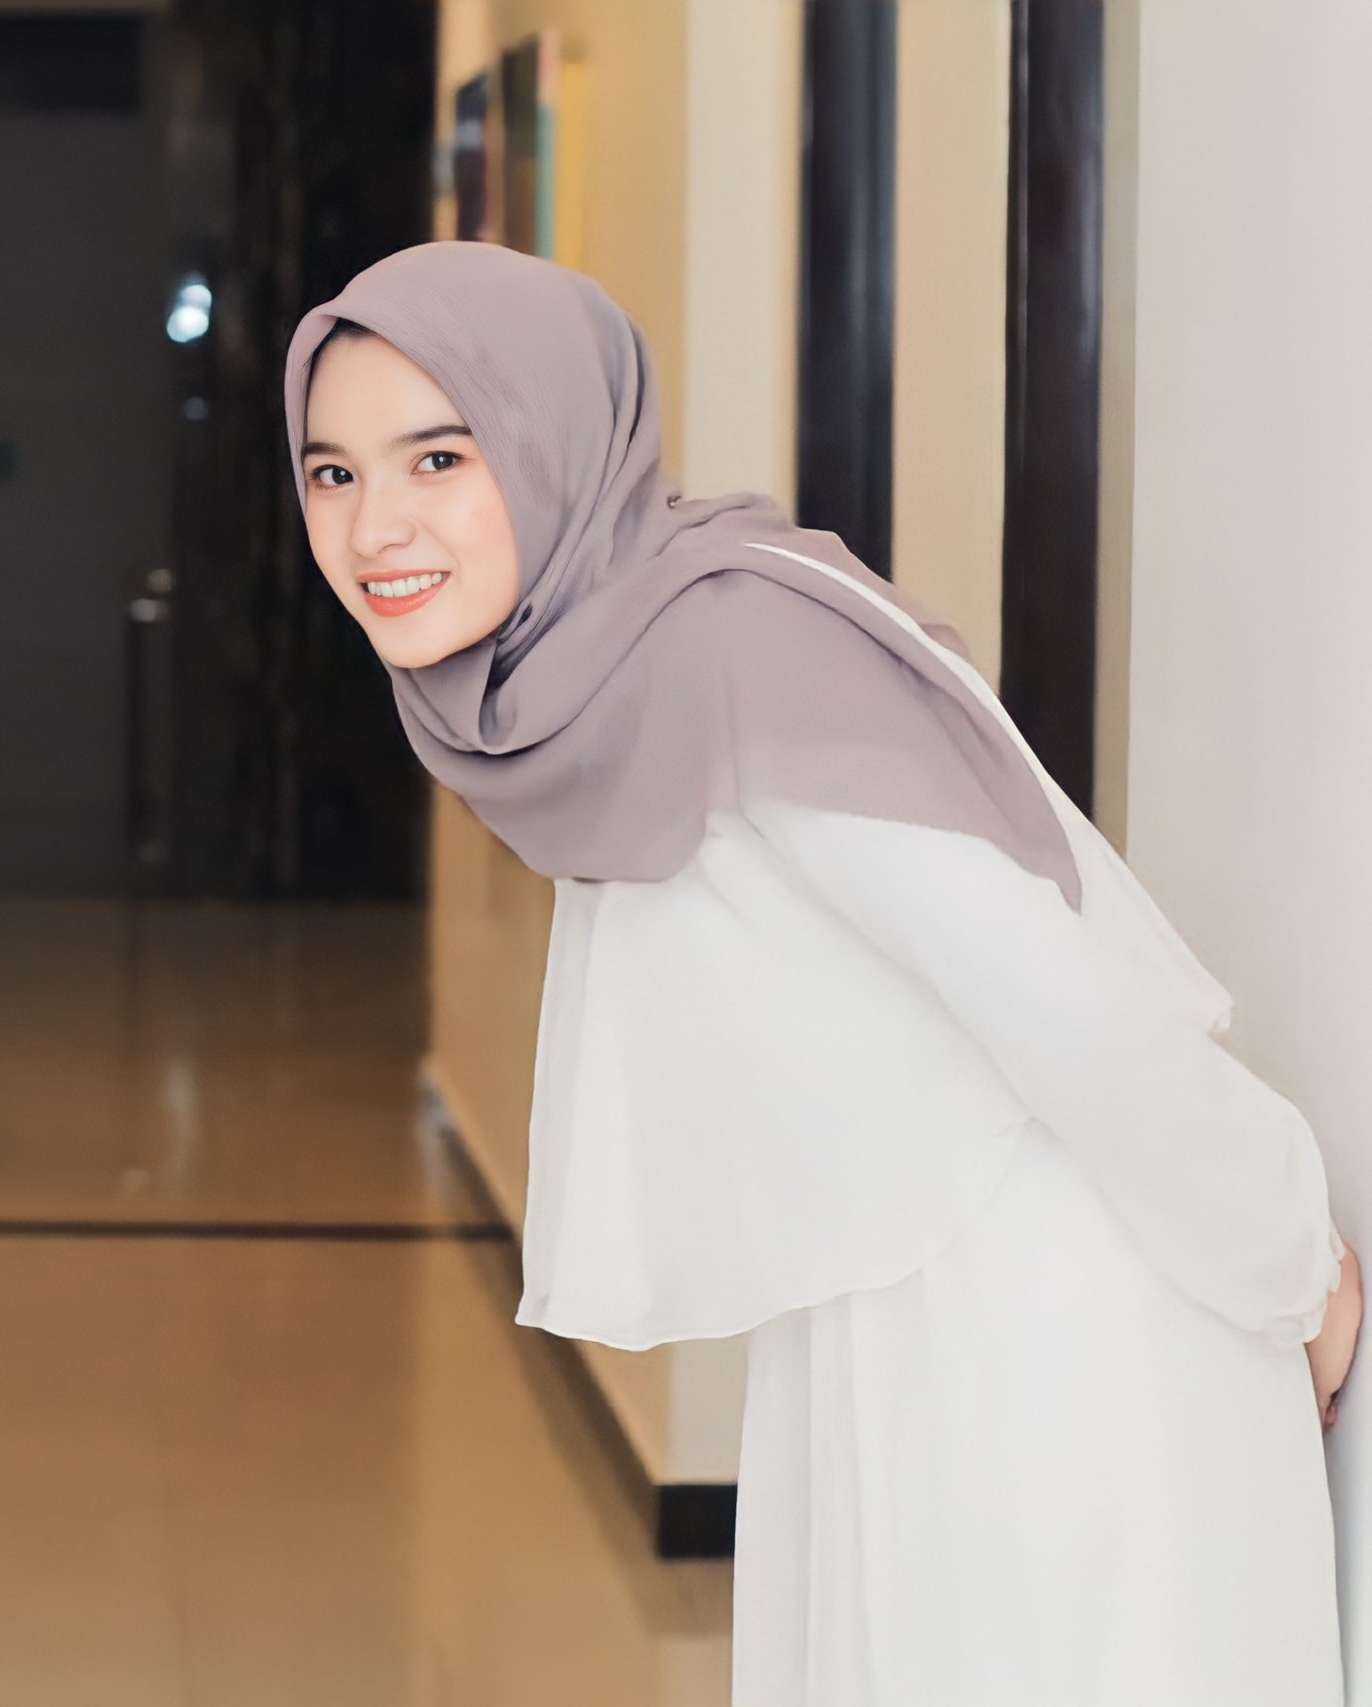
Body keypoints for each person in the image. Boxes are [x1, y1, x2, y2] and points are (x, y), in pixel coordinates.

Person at [283, 241, 1361, 1705]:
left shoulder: (727, 640)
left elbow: (1057, 989)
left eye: (438, 456)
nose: (374, 526)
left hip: (1057, 1322)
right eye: (332, 472)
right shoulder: (595, 671)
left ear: (554, 440)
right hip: (890, 1300)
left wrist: (1290, 1258)